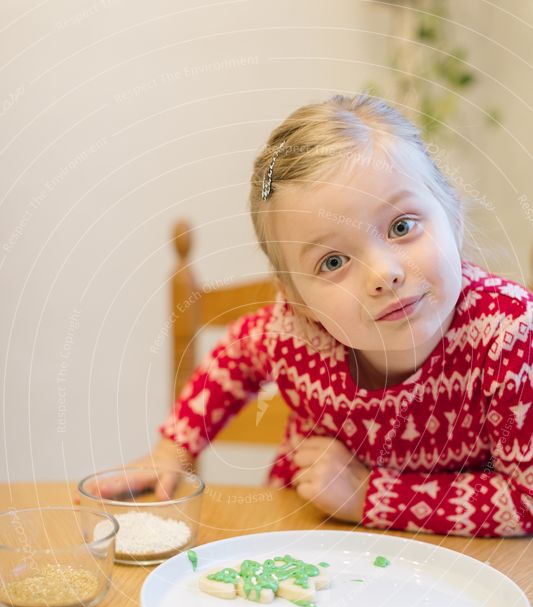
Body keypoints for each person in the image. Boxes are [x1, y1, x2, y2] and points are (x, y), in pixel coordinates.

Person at [111, 94, 533, 537]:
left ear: (454, 218)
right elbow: (233, 358)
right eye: (333, 262)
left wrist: (369, 495)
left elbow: (526, 500)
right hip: (307, 535)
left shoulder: (509, 334)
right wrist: (175, 446)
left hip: (451, 560)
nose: (384, 274)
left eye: (402, 226)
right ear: (296, 298)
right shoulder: (293, 332)